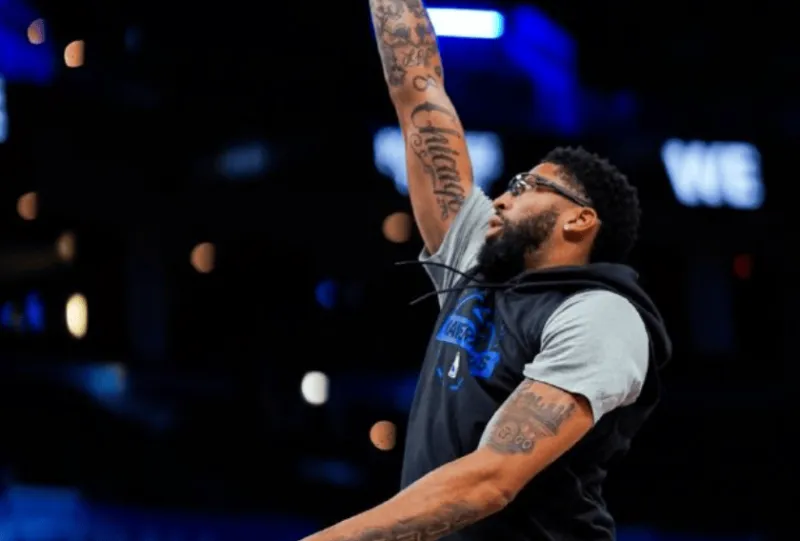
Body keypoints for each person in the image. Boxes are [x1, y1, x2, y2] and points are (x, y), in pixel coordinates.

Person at [300, 1, 671, 540]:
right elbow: (419, 94)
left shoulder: (601, 315)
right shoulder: (481, 265)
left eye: (526, 186)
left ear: (580, 220)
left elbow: (491, 481)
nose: (500, 197)